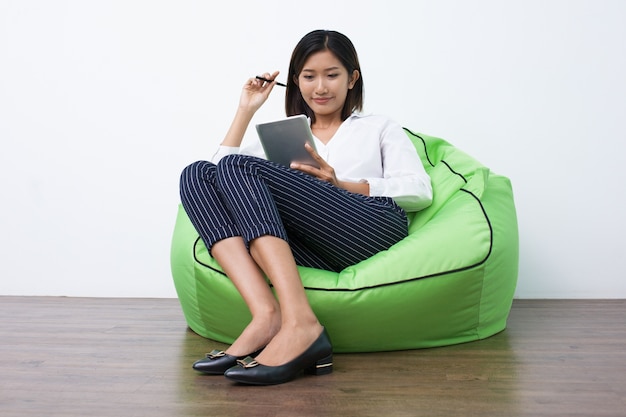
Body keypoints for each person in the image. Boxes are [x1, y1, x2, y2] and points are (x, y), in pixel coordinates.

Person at [179, 29, 432, 385]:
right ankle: (266, 315)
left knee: (239, 167)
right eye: (309, 77)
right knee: (196, 174)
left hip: (369, 228)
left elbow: (419, 191)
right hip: (312, 243)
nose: (321, 88)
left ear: (352, 78)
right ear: (296, 82)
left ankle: (302, 324)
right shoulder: (284, 135)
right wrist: (245, 110)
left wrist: (339, 184)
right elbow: (220, 175)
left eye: (332, 75)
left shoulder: (378, 128)